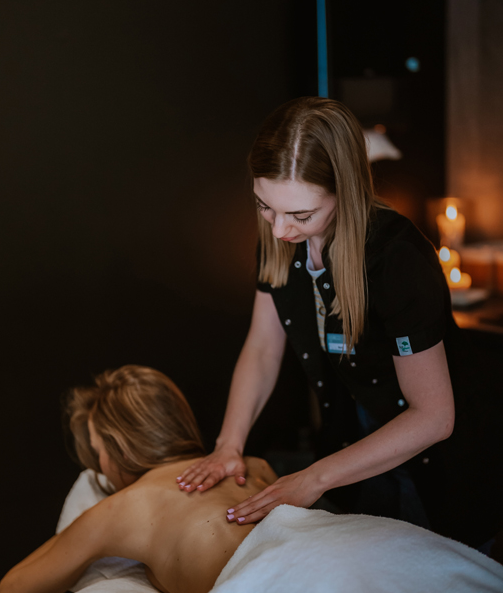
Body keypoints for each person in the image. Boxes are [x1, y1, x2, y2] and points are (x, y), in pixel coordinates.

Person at [177, 97, 501, 548]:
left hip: (436, 464)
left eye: (301, 215)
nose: (279, 230)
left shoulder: (397, 258)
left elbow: (433, 417)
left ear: (344, 190)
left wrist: (314, 478)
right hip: (350, 446)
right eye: (264, 206)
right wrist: (228, 445)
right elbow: (263, 348)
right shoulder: (280, 240)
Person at [0, 365, 276, 593]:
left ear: (122, 450)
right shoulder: (255, 468)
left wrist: (77, 534)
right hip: (299, 565)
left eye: (99, 451)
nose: (100, 468)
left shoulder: (121, 508)